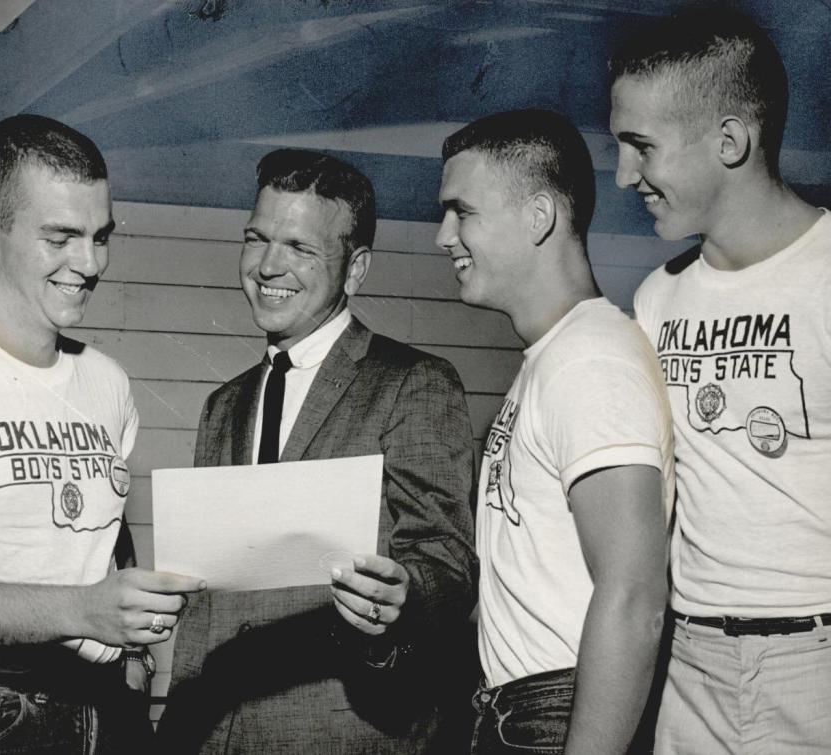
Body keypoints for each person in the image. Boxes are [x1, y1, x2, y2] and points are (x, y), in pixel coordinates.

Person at [0, 114, 204, 753]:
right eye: (61, 238)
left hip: (103, 708)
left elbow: (102, 536)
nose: (90, 263)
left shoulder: (107, 381)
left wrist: (129, 652)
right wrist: (81, 610)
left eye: (100, 236)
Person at [156, 148, 478, 754]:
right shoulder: (222, 407)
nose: (268, 266)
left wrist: (398, 600)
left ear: (355, 270)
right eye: (257, 239)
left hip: (348, 734)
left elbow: (446, 563)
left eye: (300, 248)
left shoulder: (413, 382)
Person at [610, 7, 831, 753]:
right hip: (689, 664)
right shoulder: (657, 297)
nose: (623, 175)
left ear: (730, 140)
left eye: (641, 147)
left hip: (815, 663)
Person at [437, 110, 674, 754]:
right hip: (516, 708)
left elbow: (634, 594)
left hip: (553, 714)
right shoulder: (552, 357)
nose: (443, 237)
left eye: (463, 212)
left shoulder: (589, 359)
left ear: (539, 217)